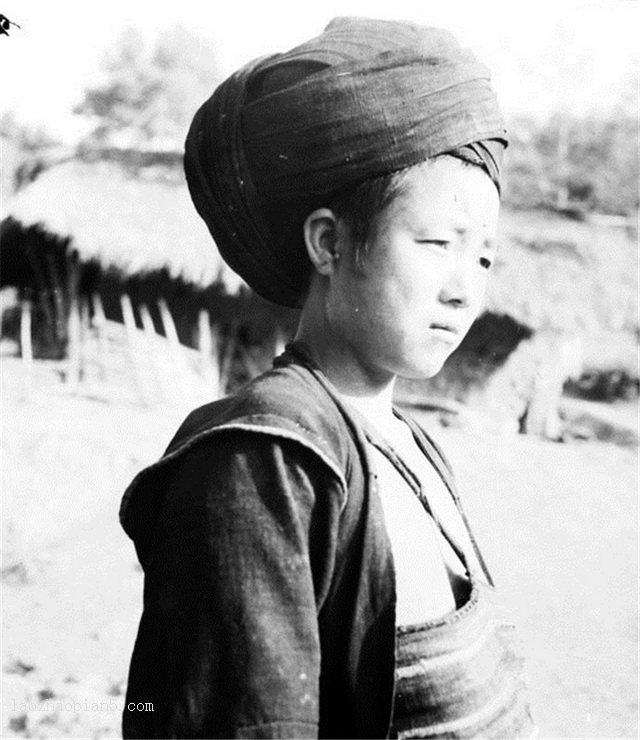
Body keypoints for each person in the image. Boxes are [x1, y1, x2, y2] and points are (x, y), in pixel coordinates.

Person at [120, 17, 536, 739]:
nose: (465, 289)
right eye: (438, 244)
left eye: (483, 258)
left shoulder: (410, 446)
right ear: (329, 242)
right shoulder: (260, 463)